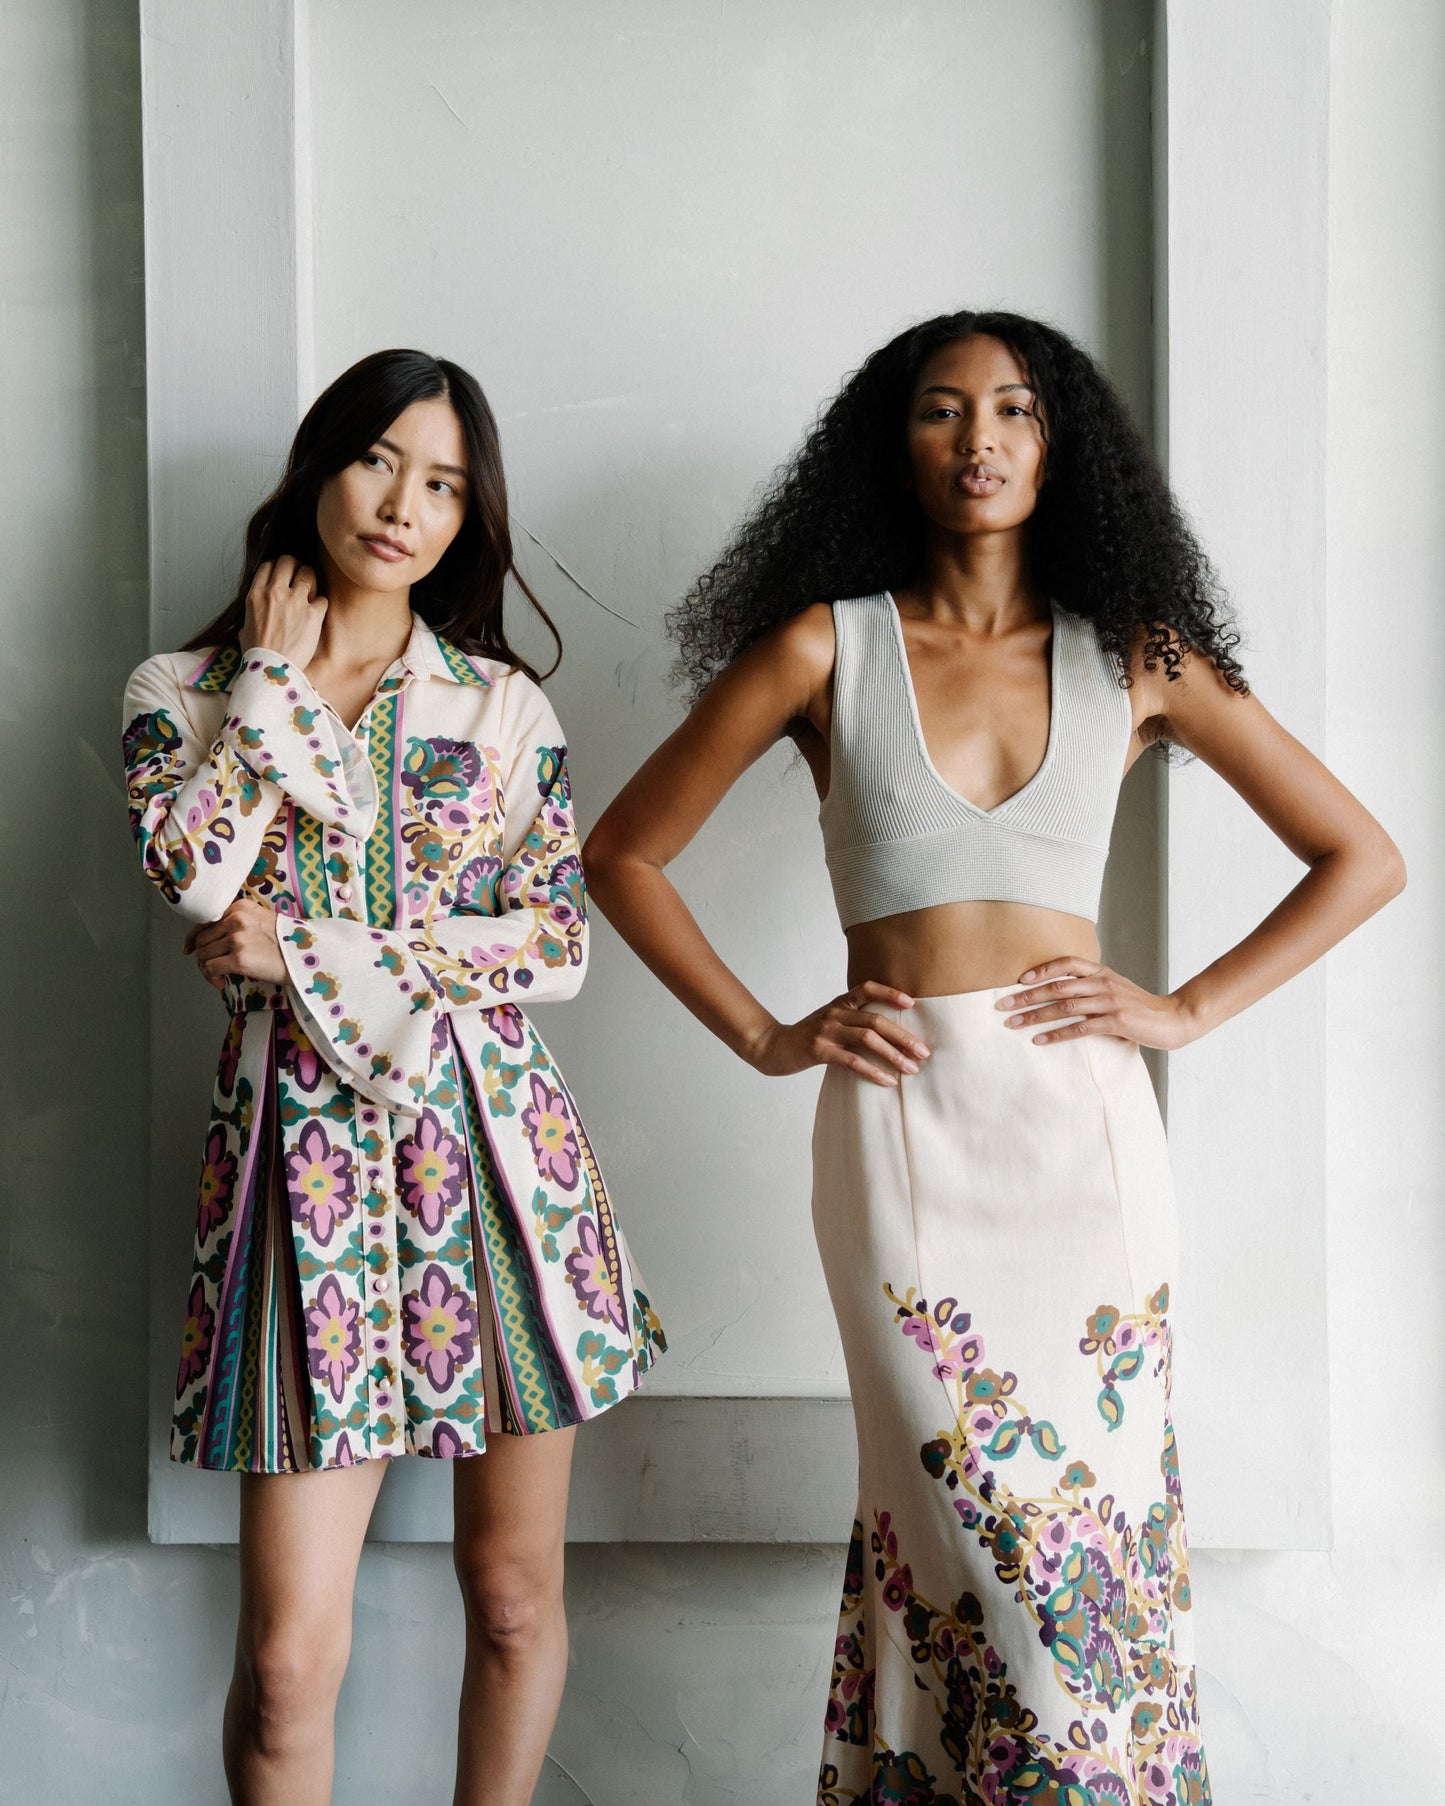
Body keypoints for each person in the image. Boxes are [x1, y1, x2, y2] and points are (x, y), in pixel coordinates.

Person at [582, 310, 1403, 1802]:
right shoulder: (822, 645)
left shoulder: (1137, 655)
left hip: (1082, 1147)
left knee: (1095, 1546)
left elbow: (1360, 854)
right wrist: (768, 1033)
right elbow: (625, 852)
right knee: (958, 1535)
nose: (980, 440)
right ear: (889, 446)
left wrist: (1188, 1006)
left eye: (1016, 410)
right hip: (900, 1134)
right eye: (943, 410)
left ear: (1058, 443)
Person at [121, 348, 665, 1806]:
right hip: (292, 1188)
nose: (404, 505)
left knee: (509, 1597)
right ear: (321, 466)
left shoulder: (497, 710)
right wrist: (270, 695)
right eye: (380, 461)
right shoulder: (183, 687)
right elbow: (190, 877)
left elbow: (552, 941)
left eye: (443, 483)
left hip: (499, 1171)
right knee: (290, 1659)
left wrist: (300, 946)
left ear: (467, 516)